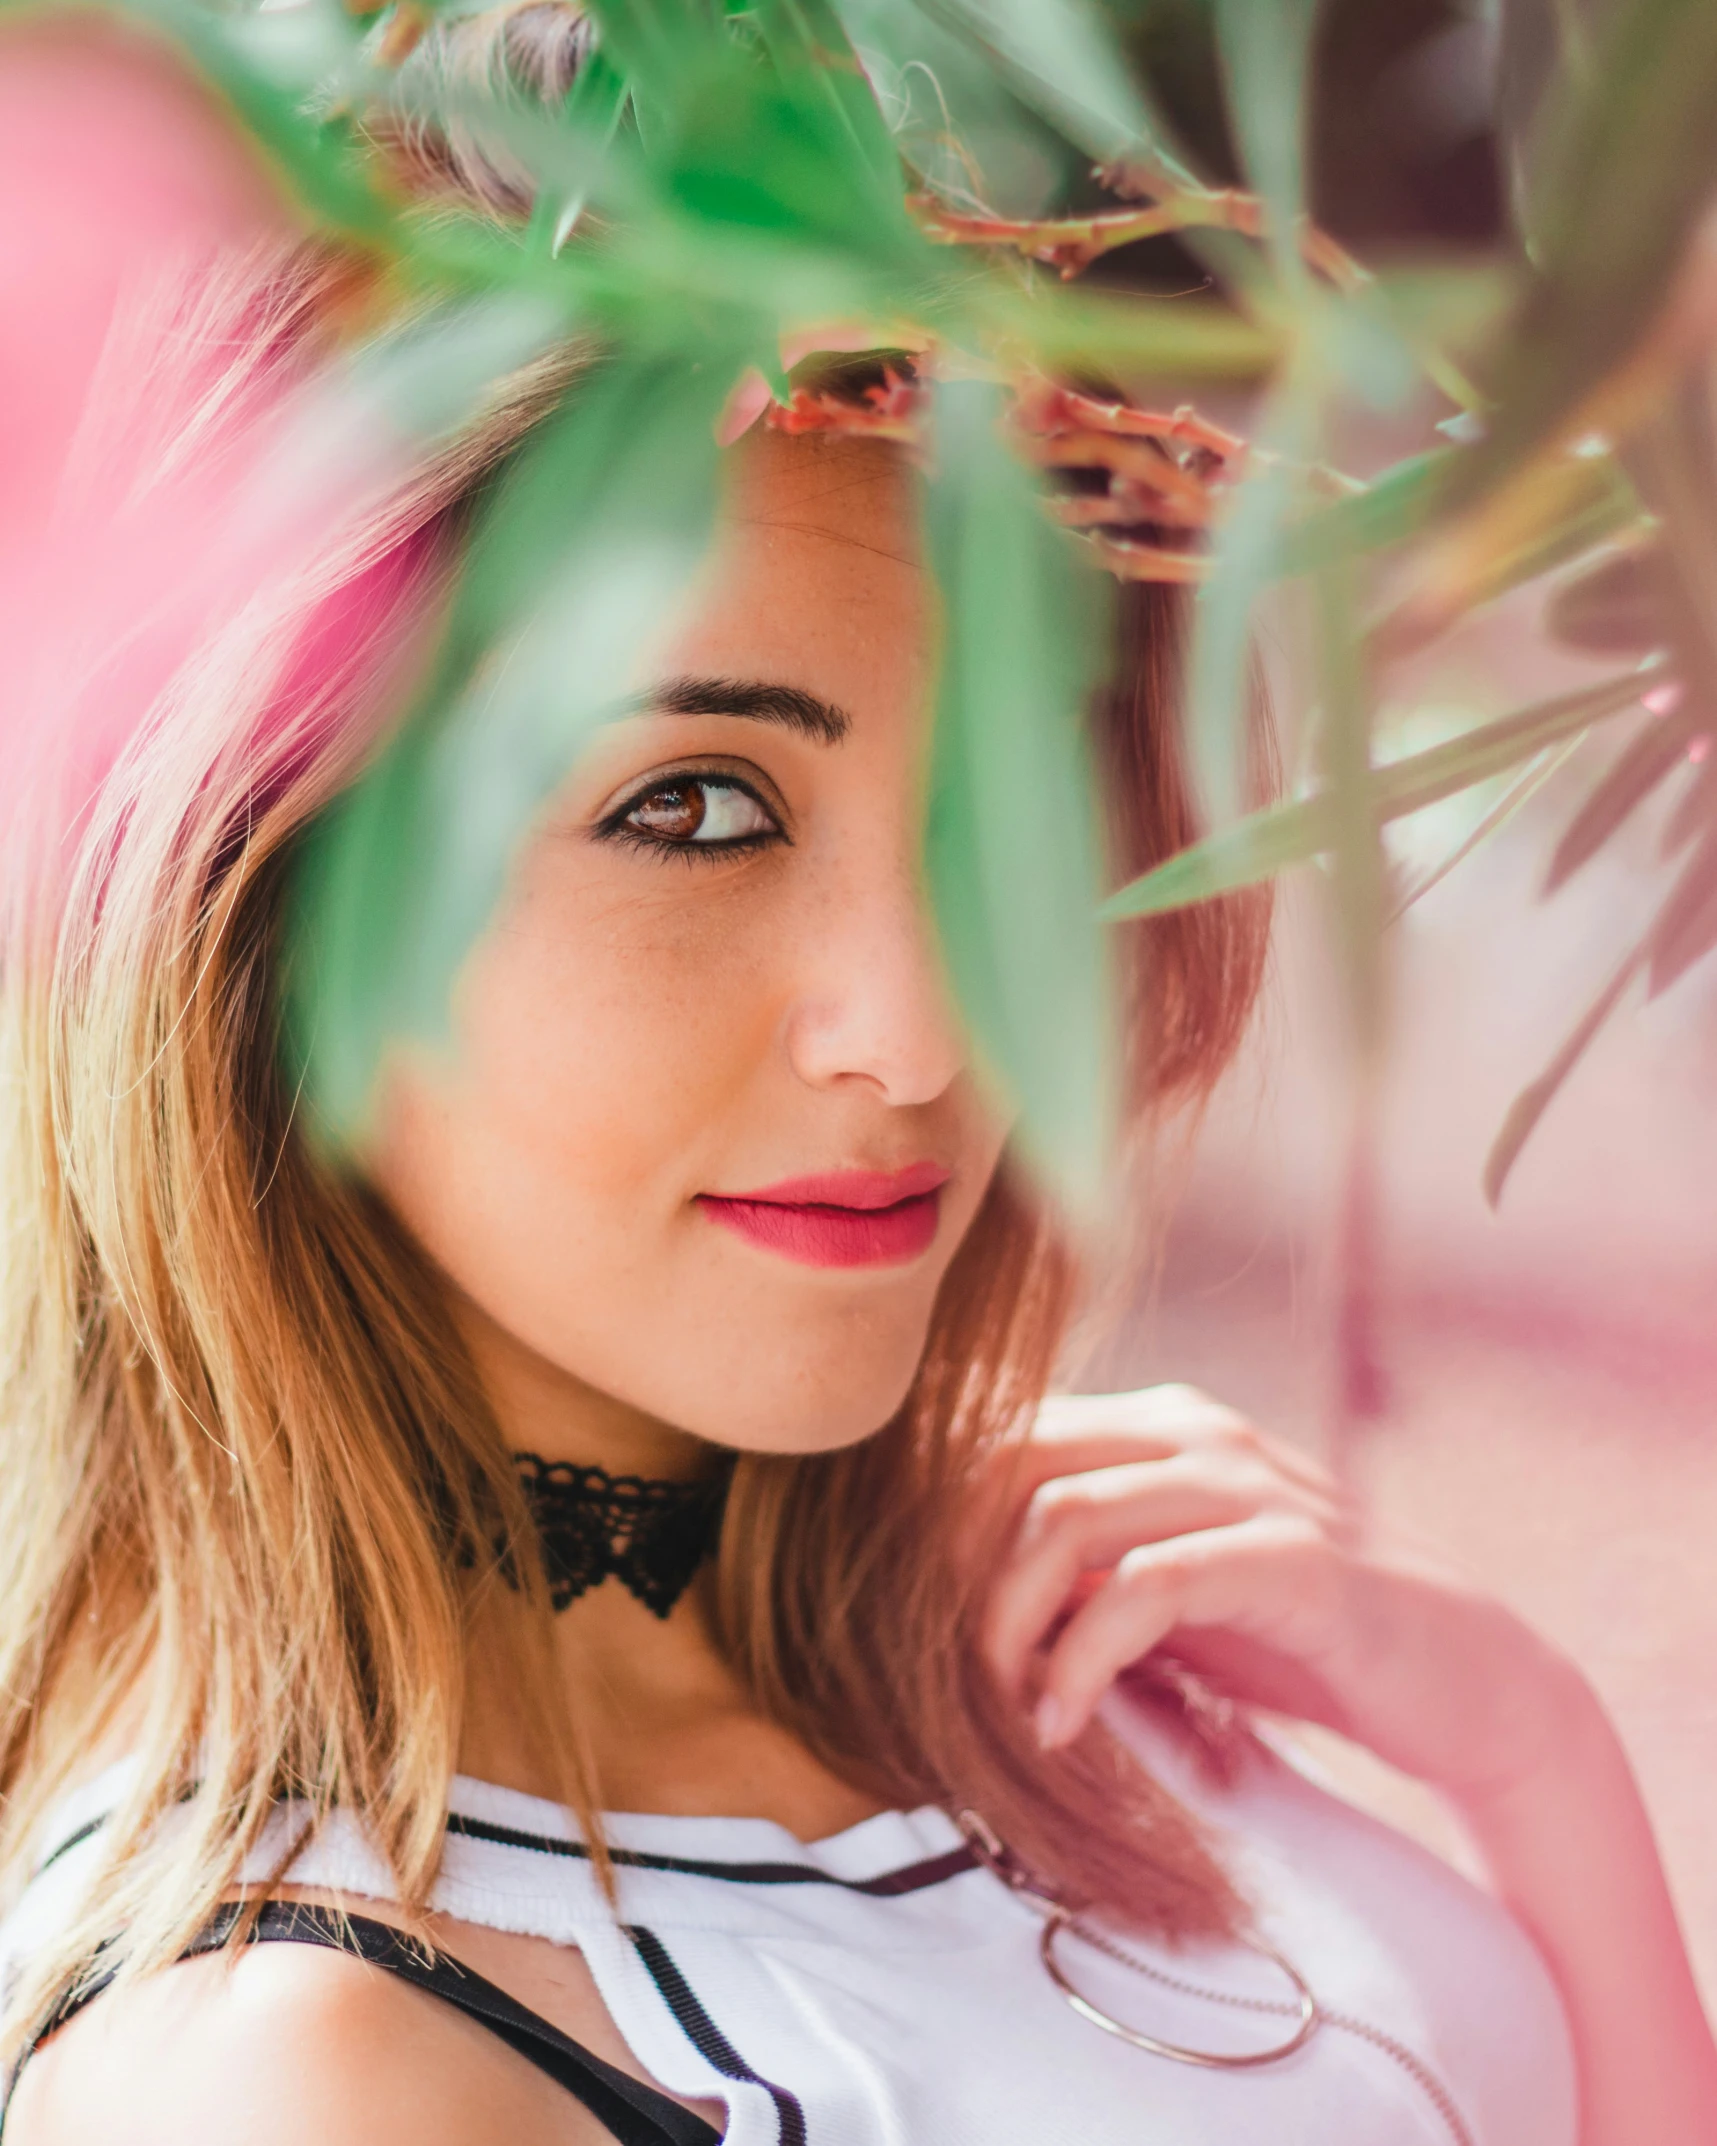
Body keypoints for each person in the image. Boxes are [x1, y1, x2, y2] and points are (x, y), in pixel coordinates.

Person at [0, 17, 1713, 2146]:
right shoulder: (302, 2069)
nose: (923, 1029)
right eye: (694, 807)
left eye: (1003, 798)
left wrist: (1532, 1760)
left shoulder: (1056, 1640)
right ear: (260, 891)